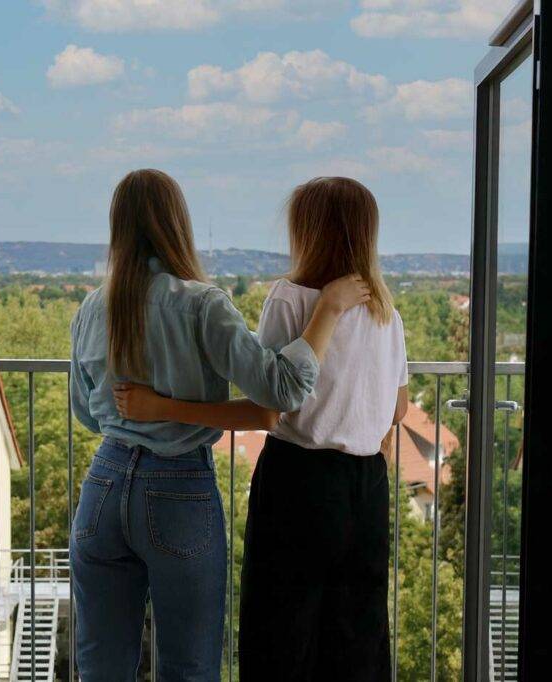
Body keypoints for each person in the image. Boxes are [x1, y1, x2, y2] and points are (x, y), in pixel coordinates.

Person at [69, 169, 370, 681]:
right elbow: (281, 390)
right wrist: (329, 308)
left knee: (100, 664)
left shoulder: (93, 307)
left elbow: (84, 410)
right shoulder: (202, 304)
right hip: (178, 489)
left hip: (103, 485)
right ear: (178, 224)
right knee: (188, 666)